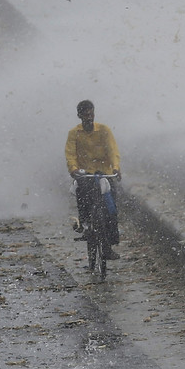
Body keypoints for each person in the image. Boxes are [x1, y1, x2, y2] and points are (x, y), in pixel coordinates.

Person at [65, 100, 121, 254]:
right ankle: (84, 224)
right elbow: (70, 154)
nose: (89, 117)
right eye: (85, 114)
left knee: (111, 207)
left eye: (91, 113)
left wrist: (116, 167)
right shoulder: (74, 133)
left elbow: (112, 150)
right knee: (82, 195)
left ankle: (109, 243)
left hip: (104, 173)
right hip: (85, 175)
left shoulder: (104, 130)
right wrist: (74, 169)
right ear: (79, 116)